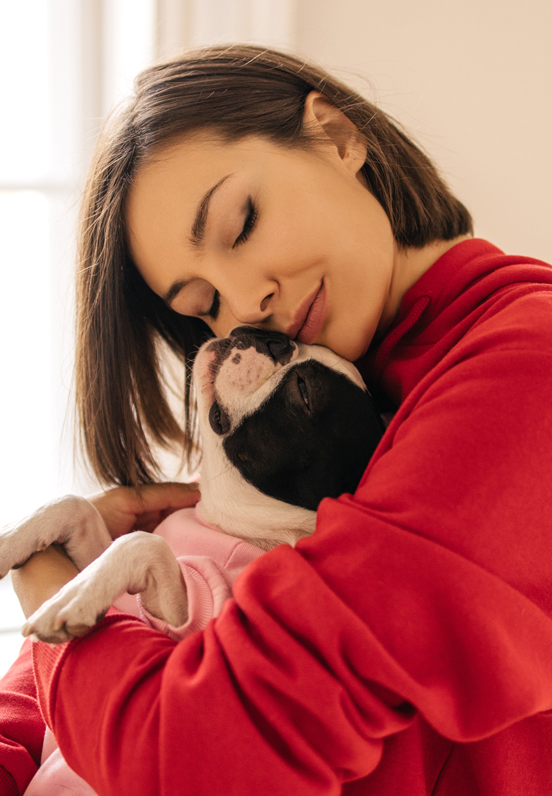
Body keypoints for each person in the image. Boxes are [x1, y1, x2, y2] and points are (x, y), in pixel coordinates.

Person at [4, 43, 552, 795]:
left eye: (242, 224)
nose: (244, 305)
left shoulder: (523, 370)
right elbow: (41, 722)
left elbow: (196, 758)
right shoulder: (319, 399)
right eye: (202, 307)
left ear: (336, 135)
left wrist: (48, 583)